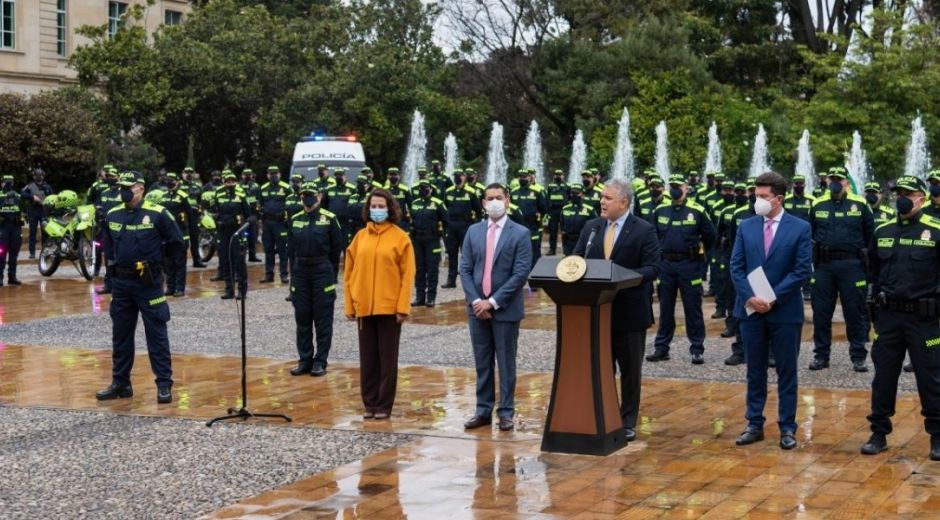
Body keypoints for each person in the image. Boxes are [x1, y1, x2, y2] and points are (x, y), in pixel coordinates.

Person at [730, 172, 812, 450]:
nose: (757, 200)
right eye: (756, 195)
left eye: (763, 196)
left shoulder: (799, 228)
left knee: (787, 371)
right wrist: (751, 297)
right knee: (755, 370)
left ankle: (787, 427)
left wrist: (772, 297)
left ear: (778, 198)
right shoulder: (747, 226)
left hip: (785, 311)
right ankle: (754, 423)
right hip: (751, 311)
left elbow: (801, 270)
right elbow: (736, 266)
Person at [573, 179, 660, 442]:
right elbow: (576, 259)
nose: (602, 201)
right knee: (601, 367)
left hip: (630, 312)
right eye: (602, 197)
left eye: (608, 198)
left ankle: (628, 419)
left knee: (630, 370)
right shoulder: (591, 227)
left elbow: (653, 267)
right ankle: (604, 414)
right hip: (597, 311)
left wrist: (622, 278)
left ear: (624, 202)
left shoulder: (644, 230)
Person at [860, 175, 940, 458]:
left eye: (908, 193)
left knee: (931, 377)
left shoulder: (936, 230)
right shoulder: (883, 230)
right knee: (883, 376)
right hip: (889, 317)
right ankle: (878, 432)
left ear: (922, 197)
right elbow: (872, 270)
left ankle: (937, 435)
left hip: (924, 319)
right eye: (898, 193)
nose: (902, 198)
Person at [96, 171, 184, 404]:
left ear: (141, 188)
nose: (124, 190)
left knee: (156, 333)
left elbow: (177, 244)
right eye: (121, 186)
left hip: (149, 284)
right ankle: (121, 383)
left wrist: (160, 266)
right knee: (121, 335)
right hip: (122, 284)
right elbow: (109, 247)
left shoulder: (157, 213)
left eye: (129, 186)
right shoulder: (113, 213)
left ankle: (164, 384)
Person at [460, 183, 532, 431]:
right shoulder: (473, 231)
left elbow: (520, 273)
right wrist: (476, 301)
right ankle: (483, 410)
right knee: (482, 361)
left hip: (505, 308)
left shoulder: (520, 233)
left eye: (498, 198)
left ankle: (506, 412)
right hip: (477, 309)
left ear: (507, 200)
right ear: (483, 203)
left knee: (506, 362)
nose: (494, 202)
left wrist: (492, 301)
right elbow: (466, 269)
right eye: (489, 198)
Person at [344, 189, 415, 419]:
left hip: (389, 308)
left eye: (381, 206)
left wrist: (403, 307)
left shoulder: (400, 238)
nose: (377, 210)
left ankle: (384, 405)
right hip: (364, 307)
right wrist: (349, 305)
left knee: (387, 359)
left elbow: (407, 275)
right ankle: (369, 403)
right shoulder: (359, 238)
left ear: (390, 208)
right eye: (373, 206)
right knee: (368, 359)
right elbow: (349, 273)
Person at [809, 167, 875, 372]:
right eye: (832, 179)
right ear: (827, 181)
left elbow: (871, 236)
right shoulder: (817, 204)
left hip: (852, 266)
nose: (836, 182)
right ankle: (821, 356)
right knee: (821, 313)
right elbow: (810, 233)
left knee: (854, 313)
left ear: (847, 182)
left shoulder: (861, 204)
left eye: (840, 179)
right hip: (824, 266)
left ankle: (858, 356)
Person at [647, 174, 716, 364]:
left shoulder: (697, 210)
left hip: (689, 265)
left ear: (686, 188)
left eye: (679, 185)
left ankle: (697, 349)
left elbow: (711, 236)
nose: (675, 188)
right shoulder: (660, 210)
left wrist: (699, 257)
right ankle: (662, 348)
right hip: (666, 266)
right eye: (672, 185)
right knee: (665, 308)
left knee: (692, 308)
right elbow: (653, 237)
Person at [288, 182, 344, 377]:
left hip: (322, 270)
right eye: (304, 194)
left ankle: (320, 361)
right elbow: (290, 251)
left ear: (319, 196)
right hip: (301, 271)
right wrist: (292, 278)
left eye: (311, 194)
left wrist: (331, 275)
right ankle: (305, 359)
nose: (307, 198)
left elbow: (337, 249)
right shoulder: (294, 219)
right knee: (302, 317)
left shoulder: (329, 218)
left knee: (322, 319)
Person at [410, 180, 449, 307]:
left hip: (432, 240)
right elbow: (411, 219)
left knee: (432, 269)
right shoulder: (414, 203)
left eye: (426, 188)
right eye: (421, 188)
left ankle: (431, 298)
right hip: (418, 240)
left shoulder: (438, 203)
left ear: (431, 189)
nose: (423, 190)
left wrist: (442, 233)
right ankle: (419, 297)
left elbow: (446, 220)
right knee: (419, 268)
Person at [442, 169, 482, 288]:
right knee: (452, 253)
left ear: (464, 177)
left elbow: (479, 210)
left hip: (465, 226)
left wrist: (475, 224)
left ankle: (469, 281)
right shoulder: (448, 191)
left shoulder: (470, 192)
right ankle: (451, 280)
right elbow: (444, 209)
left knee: (467, 254)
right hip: (452, 226)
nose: (457, 178)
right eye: (455, 176)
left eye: (459, 176)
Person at [216, 171, 252, 300]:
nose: (230, 183)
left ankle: (242, 291)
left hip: (237, 232)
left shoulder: (241, 195)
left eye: (232, 181)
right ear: (224, 182)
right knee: (226, 261)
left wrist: (243, 225)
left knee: (239, 261)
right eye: (227, 181)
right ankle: (229, 290)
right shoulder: (218, 195)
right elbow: (215, 211)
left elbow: (250, 215)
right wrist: (217, 220)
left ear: (235, 182)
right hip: (223, 232)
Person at [160, 173, 194, 297]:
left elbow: (190, 215)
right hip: (167, 235)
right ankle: (170, 287)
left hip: (180, 234)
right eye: (167, 180)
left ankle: (180, 288)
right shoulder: (163, 196)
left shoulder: (183, 196)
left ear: (177, 182)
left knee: (179, 263)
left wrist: (189, 234)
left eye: (172, 180)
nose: (169, 182)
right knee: (168, 263)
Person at [510, 169, 548, 274]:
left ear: (529, 178)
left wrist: (539, 219)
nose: (522, 179)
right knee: (518, 251)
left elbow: (544, 209)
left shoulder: (537, 192)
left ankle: (534, 275)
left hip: (533, 226)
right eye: (520, 177)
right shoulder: (513, 192)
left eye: (525, 177)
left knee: (534, 251)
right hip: (517, 226)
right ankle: (519, 273)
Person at [258, 165, 291, 284]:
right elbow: (259, 204)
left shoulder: (287, 188)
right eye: (271, 174)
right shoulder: (263, 188)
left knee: (283, 250)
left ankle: (283, 275)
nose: (273, 176)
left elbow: (292, 203)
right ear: (267, 175)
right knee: (268, 250)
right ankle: (269, 274)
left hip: (280, 223)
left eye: (275, 173)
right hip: (267, 223)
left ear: (280, 174)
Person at [21, 169, 53, 259]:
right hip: (33, 211)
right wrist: (32, 197)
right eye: (37, 175)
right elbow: (22, 193)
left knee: (45, 233)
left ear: (43, 176)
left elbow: (53, 197)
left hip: (44, 211)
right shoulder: (30, 186)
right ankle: (32, 253)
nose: (39, 177)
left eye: (40, 175)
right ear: (34, 176)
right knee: (32, 233)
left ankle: (45, 252)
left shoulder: (47, 186)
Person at [559, 184, 596, 255]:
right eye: (572, 193)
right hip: (568, 242)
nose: (573, 195)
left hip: (582, 242)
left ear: (583, 194)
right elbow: (562, 225)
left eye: (577, 193)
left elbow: (595, 227)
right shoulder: (565, 208)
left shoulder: (589, 210)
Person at [0, 174, 24, 285]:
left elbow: (23, 210)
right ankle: (0, 278)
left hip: (15, 227)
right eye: (6, 181)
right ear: (2, 183)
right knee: (1, 254)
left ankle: (12, 277)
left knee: (14, 254)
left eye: (10, 182)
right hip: (3, 227)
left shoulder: (18, 196)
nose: (8, 184)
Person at [545, 169, 569, 255]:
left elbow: (570, 198)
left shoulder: (567, 186)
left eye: (560, 174)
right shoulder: (550, 186)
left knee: (565, 231)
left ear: (563, 176)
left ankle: (566, 250)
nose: (558, 176)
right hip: (553, 211)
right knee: (552, 231)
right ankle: (552, 249)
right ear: (554, 176)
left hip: (563, 211)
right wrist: (547, 211)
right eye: (556, 175)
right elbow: (547, 198)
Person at [240, 168, 262, 262]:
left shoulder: (256, 186)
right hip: (242, 214)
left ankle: (252, 255)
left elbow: (260, 200)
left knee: (253, 235)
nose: (247, 176)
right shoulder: (238, 186)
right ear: (242, 175)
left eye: (249, 174)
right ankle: (242, 255)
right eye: (246, 174)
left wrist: (258, 214)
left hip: (253, 213)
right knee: (243, 236)